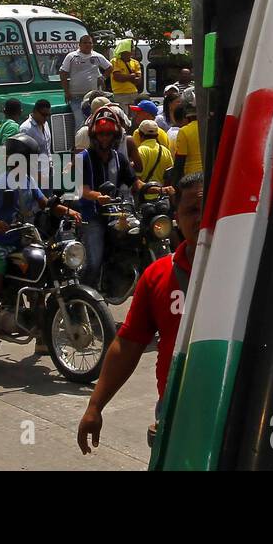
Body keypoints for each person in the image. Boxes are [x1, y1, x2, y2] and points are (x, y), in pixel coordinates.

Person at [77, 173, 204, 454]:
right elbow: (128, 343)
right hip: (174, 412)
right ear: (176, 217)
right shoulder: (158, 275)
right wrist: (95, 406)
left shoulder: (248, 273)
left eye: (208, 208)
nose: (201, 219)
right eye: (192, 210)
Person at [0, 133, 82, 354]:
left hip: (23, 240)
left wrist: (69, 211)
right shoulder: (2, 182)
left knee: (40, 280)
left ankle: (41, 336)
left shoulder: (28, 181)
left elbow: (45, 203)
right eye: (29, 159)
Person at [77, 109, 141, 288]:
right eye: (101, 134)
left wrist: (159, 188)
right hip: (93, 217)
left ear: (115, 136)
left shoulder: (119, 158)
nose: (105, 138)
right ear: (94, 135)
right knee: (94, 262)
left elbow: (135, 182)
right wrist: (97, 196)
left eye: (109, 134)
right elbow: (82, 189)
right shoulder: (84, 158)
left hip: (117, 214)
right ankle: (81, 296)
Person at [59, 35, 112, 129]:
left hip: (92, 97)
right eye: (85, 43)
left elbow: (109, 67)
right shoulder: (71, 56)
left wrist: (103, 78)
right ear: (79, 44)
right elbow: (63, 73)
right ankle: (80, 143)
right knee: (80, 122)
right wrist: (66, 92)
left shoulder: (97, 56)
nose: (88, 45)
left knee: (94, 121)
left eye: (90, 43)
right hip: (76, 96)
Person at [135, 121, 175, 203]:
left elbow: (136, 181)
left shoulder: (140, 151)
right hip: (161, 199)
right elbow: (170, 176)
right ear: (157, 135)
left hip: (144, 200)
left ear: (140, 134)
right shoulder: (165, 151)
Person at [20, 99, 53, 188]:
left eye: (48, 115)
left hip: (47, 171)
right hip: (34, 175)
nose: (46, 118)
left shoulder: (45, 124)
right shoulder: (26, 128)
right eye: (43, 115)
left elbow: (47, 147)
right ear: (35, 112)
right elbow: (23, 155)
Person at [171, 100, 203, 182]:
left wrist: (174, 184)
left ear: (186, 116)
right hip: (209, 175)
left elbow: (180, 161)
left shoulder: (184, 131)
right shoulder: (210, 127)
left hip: (192, 178)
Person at [109, 40, 143, 107]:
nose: (132, 50)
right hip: (120, 94)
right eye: (131, 47)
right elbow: (117, 77)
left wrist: (125, 77)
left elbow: (138, 80)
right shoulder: (115, 61)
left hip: (133, 93)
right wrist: (131, 76)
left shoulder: (135, 62)